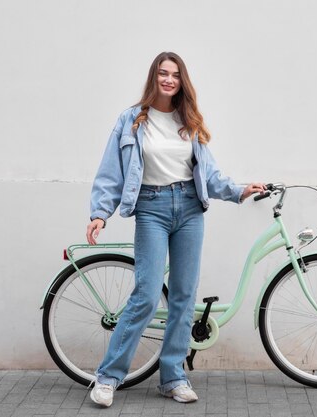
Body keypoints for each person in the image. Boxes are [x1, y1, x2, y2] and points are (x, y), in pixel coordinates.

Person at [85, 51, 266, 407]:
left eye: (175, 75)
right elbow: (111, 172)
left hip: (188, 209)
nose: (169, 79)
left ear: (182, 81)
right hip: (150, 208)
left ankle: (173, 377)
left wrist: (238, 190)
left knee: (184, 297)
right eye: (163, 73)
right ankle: (107, 378)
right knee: (147, 295)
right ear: (154, 77)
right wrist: (100, 213)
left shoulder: (189, 120)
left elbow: (208, 174)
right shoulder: (132, 120)